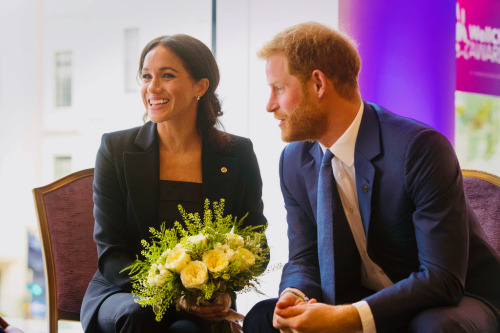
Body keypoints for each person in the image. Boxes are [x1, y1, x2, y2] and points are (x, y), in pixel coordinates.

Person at [244, 22, 500, 333]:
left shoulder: (419, 149)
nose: (270, 105)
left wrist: (348, 317)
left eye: (279, 88)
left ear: (318, 84)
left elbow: (442, 278)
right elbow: (304, 256)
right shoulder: (294, 160)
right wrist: (293, 296)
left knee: (433, 327)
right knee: (264, 317)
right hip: (364, 297)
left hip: (457, 298)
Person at [80, 34, 268, 333]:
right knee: (142, 313)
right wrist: (175, 295)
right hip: (123, 293)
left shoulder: (237, 153)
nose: (152, 88)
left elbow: (256, 243)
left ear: (200, 86)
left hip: (202, 300)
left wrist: (221, 289)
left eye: (166, 75)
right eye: (146, 76)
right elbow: (112, 253)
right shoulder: (116, 148)